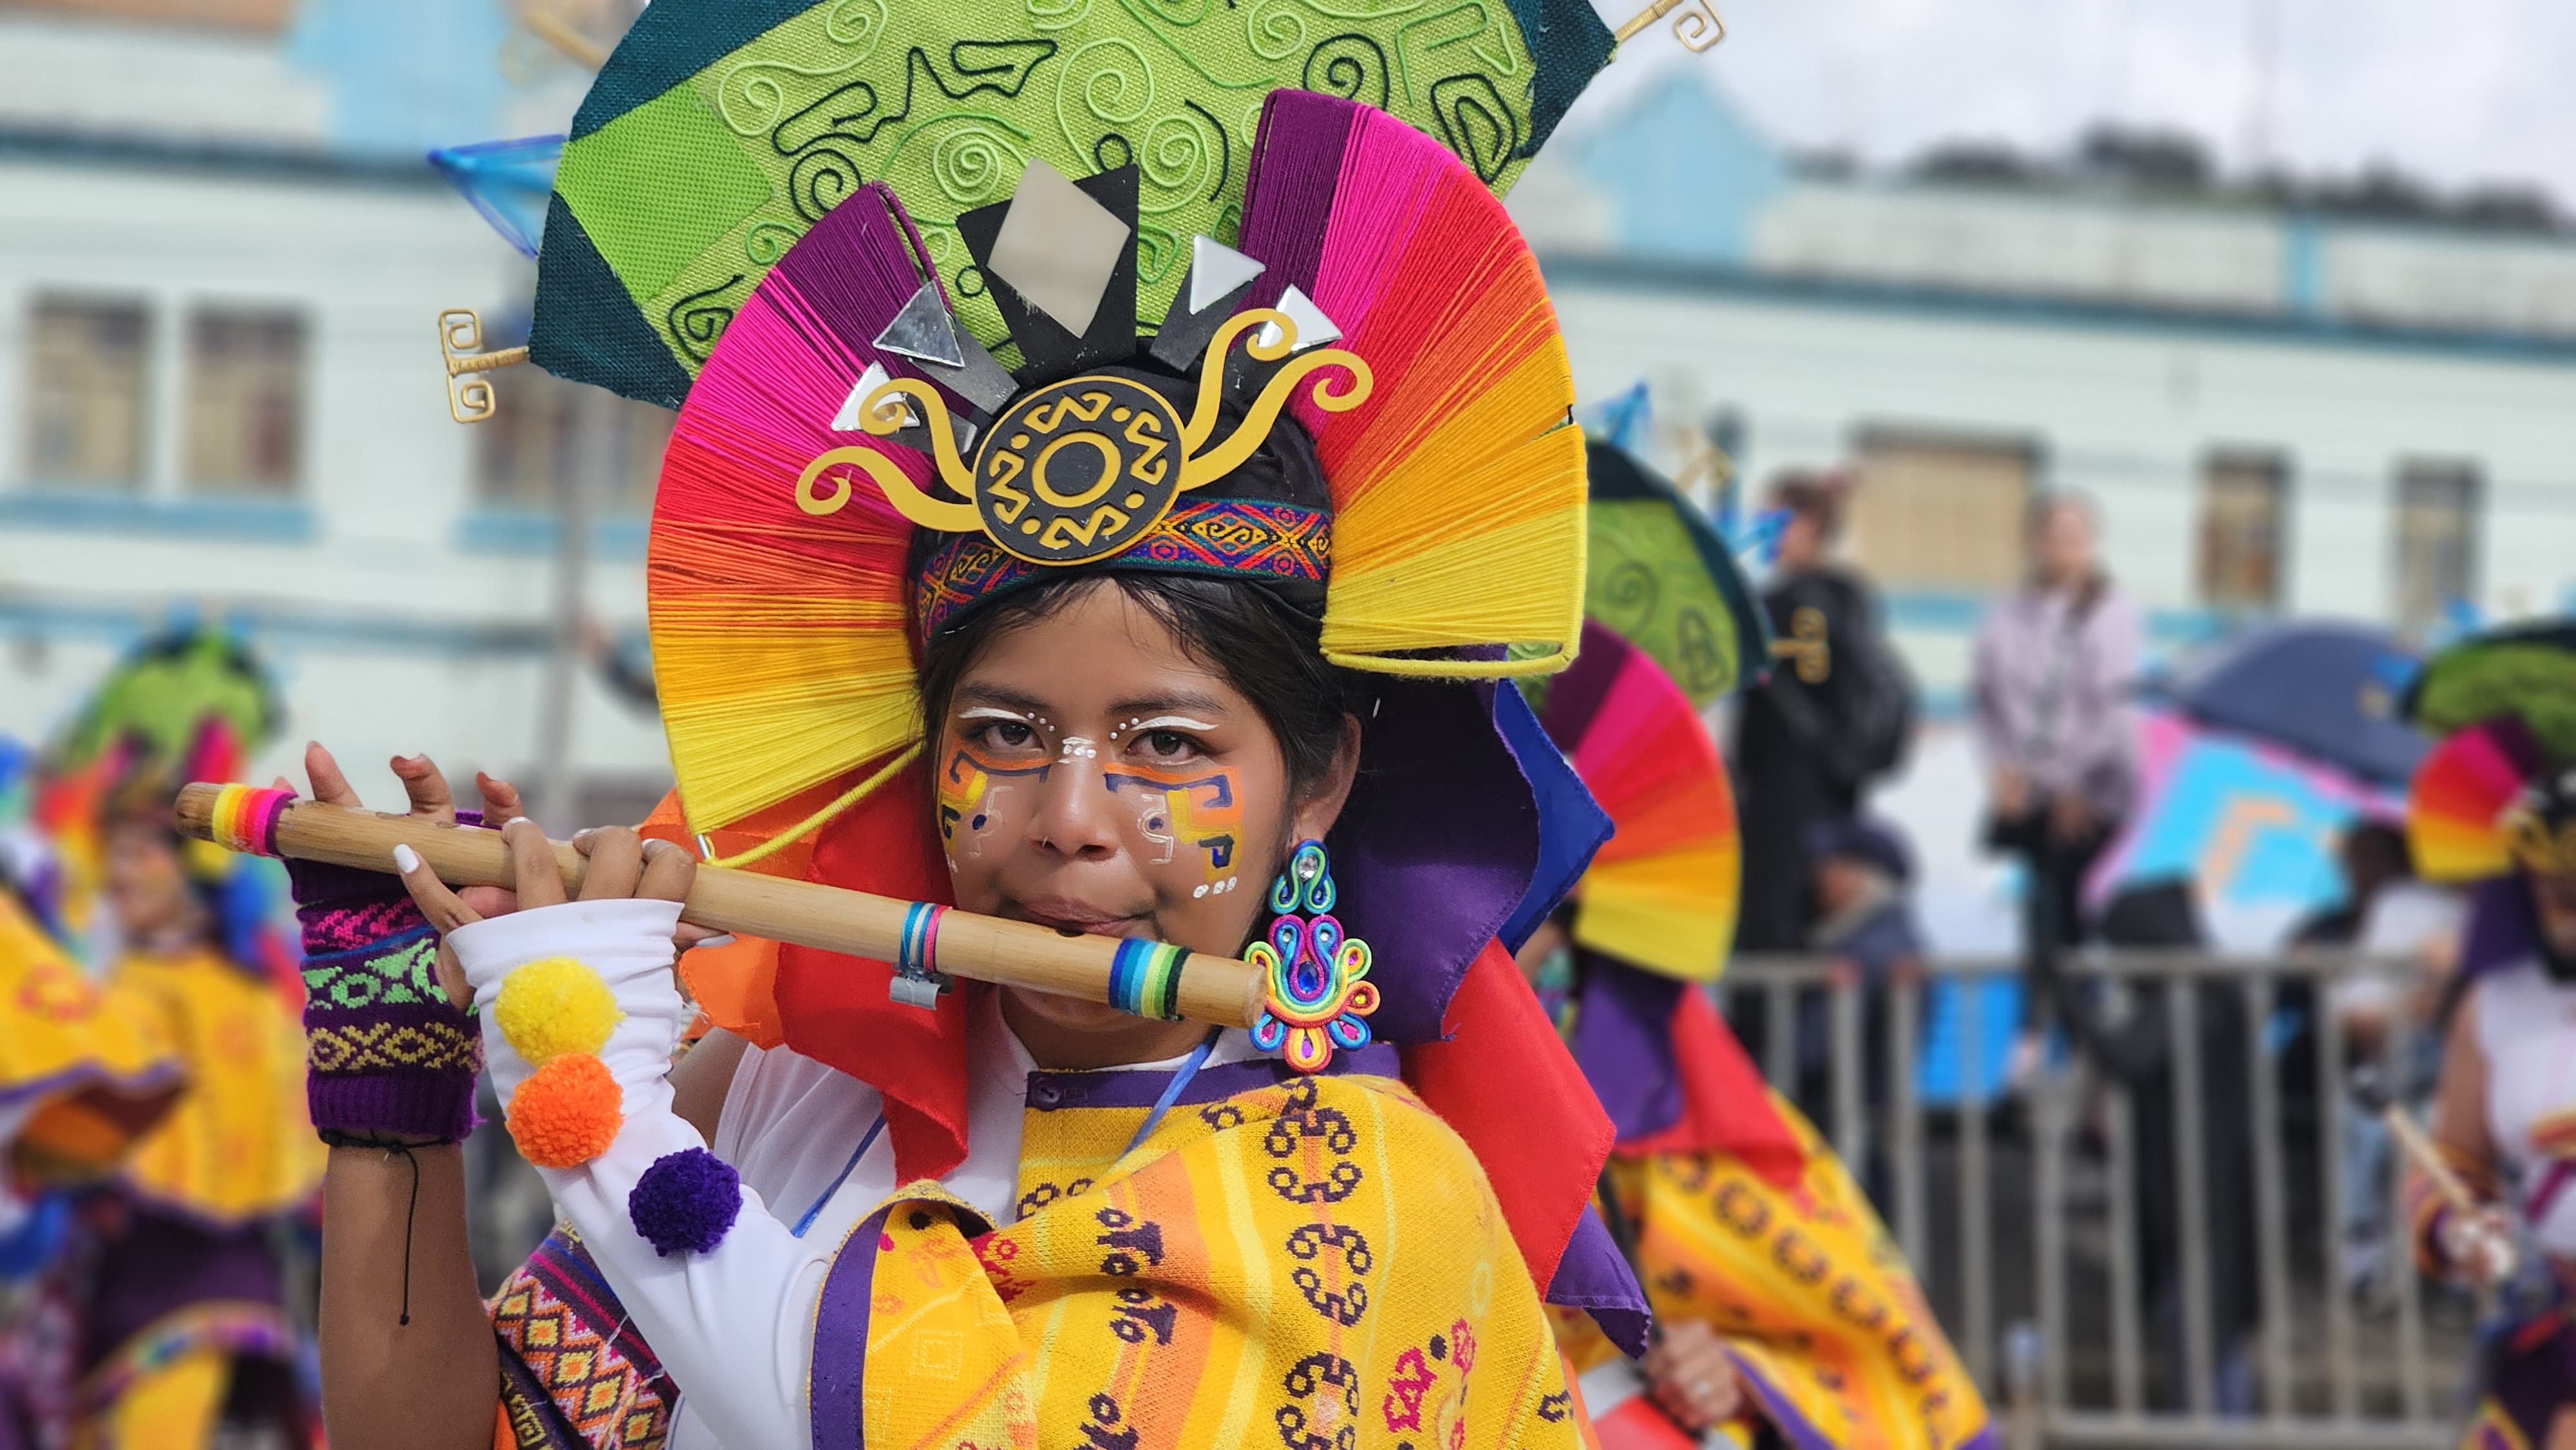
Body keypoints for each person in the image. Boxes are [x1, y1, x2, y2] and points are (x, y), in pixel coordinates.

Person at [274, 83, 1641, 1450]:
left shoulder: (1373, 1186)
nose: (1065, 821)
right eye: (1001, 735)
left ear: (1321, 779)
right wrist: (394, 1090)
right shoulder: (777, 1090)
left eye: (1164, 747)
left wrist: (595, 1094)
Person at [1522, 626, 1989, 1448]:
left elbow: (1864, 1349)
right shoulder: (1348, 1047)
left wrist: (1728, 1367)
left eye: (1533, 898)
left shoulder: (1663, 1096)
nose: (1506, 936)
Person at [2401, 709, 2576, 1442]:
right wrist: (2457, 1228)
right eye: (2541, 889)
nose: (2556, 907)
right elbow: (2453, 1162)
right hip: (2545, 1348)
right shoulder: (2495, 1001)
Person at [1972, 491, 2143, 1061]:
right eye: (2053, 534)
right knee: (2040, 917)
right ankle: (2038, 1042)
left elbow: (2114, 713)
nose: (2063, 549)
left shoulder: (2110, 613)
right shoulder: (2005, 612)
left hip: (2092, 795)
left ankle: (2080, 1047)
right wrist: (2004, 773)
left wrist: (2073, 782)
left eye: (2076, 537)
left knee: (2070, 920)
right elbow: (1986, 701)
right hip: (2028, 794)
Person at [1733, 473, 1915, 958]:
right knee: (1814, 920)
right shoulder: (1849, 594)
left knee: (1774, 926)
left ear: (1809, 524)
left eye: (1771, 521)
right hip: (1835, 788)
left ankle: (1766, 1033)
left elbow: (1812, 685)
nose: (1760, 532)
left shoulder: (1795, 605)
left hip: (1788, 795)